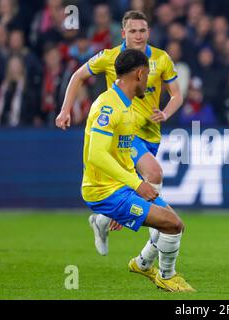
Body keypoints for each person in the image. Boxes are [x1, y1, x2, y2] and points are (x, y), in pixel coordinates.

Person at [55, 11, 183, 257]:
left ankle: (102, 221)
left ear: (149, 32)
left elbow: (176, 94)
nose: (138, 35)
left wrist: (165, 113)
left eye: (142, 30)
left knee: (129, 198)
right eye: (132, 31)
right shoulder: (111, 57)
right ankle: (154, 246)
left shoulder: (161, 58)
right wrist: (65, 110)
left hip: (151, 135)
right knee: (154, 173)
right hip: (124, 135)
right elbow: (78, 75)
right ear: (123, 33)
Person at [82, 48, 194, 292]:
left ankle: (143, 264)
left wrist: (132, 184)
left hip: (120, 188)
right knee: (171, 225)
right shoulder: (109, 107)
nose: (149, 83)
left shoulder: (128, 106)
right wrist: (136, 184)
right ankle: (166, 276)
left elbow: (120, 156)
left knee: (176, 224)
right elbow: (96, 155)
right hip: (103, 191)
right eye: (148, 77)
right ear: (140, 73)